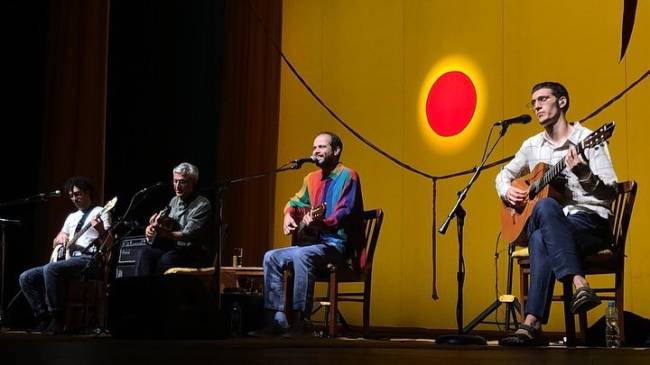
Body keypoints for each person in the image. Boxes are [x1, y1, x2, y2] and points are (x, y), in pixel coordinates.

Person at [496, 82, 618, 346]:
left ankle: (531, 323)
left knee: (541, 229)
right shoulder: (531, 145)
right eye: (533, 102)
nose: (536, 106)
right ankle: (579, 284)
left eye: (542, 99)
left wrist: (584, 173)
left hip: (590, 224)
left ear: (561, 102)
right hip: (560, 228)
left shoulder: (587, 140)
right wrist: (508, 192)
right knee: (544, 214)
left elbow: (611, 192)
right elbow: (502, 175)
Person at [254, 132, 364, 337]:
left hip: (336, 246)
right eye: (314, 148)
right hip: (312, 245)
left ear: (337, 150)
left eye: (322, 147)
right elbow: (295, 202)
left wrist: (321, 223)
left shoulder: (349, 176)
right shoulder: (310, 178)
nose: (316, 151)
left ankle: (302, 321)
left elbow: (343, 213)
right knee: (271, 256)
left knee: (301, 255)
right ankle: (276, 319)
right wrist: (288, 214)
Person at [19, 176, 111, 334]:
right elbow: (58, 239)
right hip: (69, 261)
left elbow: (110, 242)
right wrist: (59, 238)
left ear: (88, 192)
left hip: (89, 260)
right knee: (26, 277)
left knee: (50, 269)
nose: (74, 198)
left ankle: (57, 317)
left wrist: (101, 229)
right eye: (71, 196)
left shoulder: (100, 211)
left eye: (78, 194)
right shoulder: (71, 217)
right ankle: (43, 317)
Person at [135, 162, 212, 276]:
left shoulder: (202, 204)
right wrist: (151, 229)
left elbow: (187, 235)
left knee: (166, 260)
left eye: (182, 182)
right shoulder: (174, 201)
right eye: (175, 181)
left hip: (194, 252)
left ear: (193, 183)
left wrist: (164, 233)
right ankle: (142, 291)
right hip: (175, 249)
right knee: (145, 253)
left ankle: (163, 293)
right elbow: (167, 225)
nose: (177, 186)